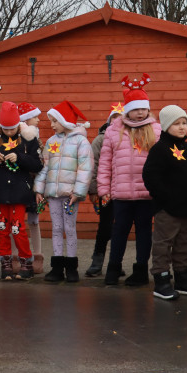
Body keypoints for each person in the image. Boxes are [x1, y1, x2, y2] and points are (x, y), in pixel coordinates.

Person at [98, 75, 161, 287]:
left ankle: (141, 270)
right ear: (127, 110)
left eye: (143, 108)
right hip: (121, 194)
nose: (140, 112)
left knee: (144, 233)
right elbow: (105, 162)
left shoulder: (156, 130)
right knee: (119, 232)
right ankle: (113, 268)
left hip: (146, 194)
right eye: (136, 109)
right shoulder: (113, 131)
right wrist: (103, 188)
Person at [0, 101, 42, 280]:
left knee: (18, 229)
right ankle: (6, 263)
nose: (9, 132)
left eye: (12, 129)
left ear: (18, 125)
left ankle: (26, 262)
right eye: (6, 129)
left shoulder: (28, 139)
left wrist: (19, 157)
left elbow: (37, 164)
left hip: (19, 192)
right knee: (2, 228)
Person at [142, 105, 187, 300]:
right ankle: (161, 280)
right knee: (163, 245)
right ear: (166, 126)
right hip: (167, 209)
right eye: (177, 123)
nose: (182, 127)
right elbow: (150, 176)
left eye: (184, 122)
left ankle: (183, 278)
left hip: (186, 209)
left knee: (184, 245)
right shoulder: (159, 149)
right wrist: (165, 198)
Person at [35, 101, 93, 284]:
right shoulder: (51, 142)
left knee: (69, 228)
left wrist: (78, 192)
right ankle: (57, 267)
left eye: (55, 121)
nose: (52, 125)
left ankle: (72, 267)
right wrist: (39, 189)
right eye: (51, 121)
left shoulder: (81, 142)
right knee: (57, 228)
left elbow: (85, 169)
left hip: (70, 196)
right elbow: (45, 167)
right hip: (53, 194)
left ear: (65, 120)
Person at [84, 107, 121, 278]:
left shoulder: (127, 138)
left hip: (123, 191)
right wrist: (93, 190)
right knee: (105, 226)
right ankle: (97, 262)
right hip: (105, 191)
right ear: (109, 121)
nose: (117, 122)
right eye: (114, 118)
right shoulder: (100, 140)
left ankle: (116, 263)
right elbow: (93, 166)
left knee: (120, 228)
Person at [17, 101, 44, 274]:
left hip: (34, 185)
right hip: (20, 184)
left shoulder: (37, 138)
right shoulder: (17, 138)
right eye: (35, 117)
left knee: (34, 220)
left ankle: (37, 255)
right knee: (15, 221)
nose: (38, 120)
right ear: (26, 120)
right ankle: (16, 257)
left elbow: (41, 162)